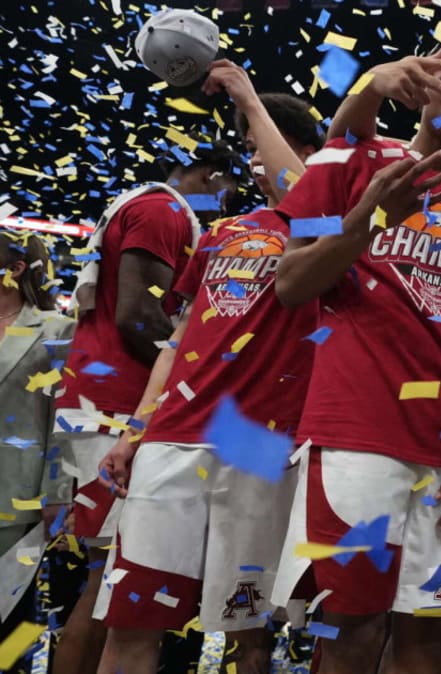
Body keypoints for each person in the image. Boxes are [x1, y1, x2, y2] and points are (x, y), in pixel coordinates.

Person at [270, 21, 441, 674]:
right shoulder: (350, 163)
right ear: (421, 87)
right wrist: (369, 218)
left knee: (431, 643)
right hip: (354, 438)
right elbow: (289, 284)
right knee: (352, 631)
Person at [91, 63, 320, 674]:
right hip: (173, 437)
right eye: (247, 149)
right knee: (133, 621)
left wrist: (249, 95)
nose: (249, 160)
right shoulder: (220, 232)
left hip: (262, 445)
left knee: (250, 632)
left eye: (256, 146)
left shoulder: (328, 234)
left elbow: (303, 194)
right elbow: (177, 340)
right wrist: (136, 429)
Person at [51, 138, 238, 674]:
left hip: (103, 404)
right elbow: (140, 315)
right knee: (108, 587)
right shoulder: (161, 209)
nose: (226, 204)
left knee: (104, 585)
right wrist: (193, 377)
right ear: (207, 173)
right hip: (116, 407)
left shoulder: (145, 203)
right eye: (226, 188)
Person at [0, 230, 74, 671]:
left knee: (12, 621)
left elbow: (61, 422)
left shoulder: (57, 330)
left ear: (16, 267)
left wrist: (59, 493)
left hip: (17, 500)